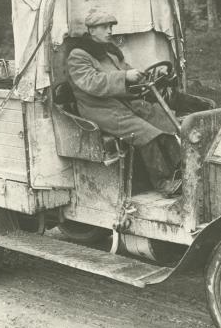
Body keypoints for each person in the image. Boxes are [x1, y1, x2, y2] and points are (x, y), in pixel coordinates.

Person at [67, 10, 182, 196]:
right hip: (99, 109)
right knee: (146, 133)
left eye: (111, 27)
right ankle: (163, 182)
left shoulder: (109, 53)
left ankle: (182, 169)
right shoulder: (79, 55)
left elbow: (127, 71)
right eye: (104, 27)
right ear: (92, 30)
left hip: (122, 103)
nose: (110, 31)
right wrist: (125, 77)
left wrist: (143, 76)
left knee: (164, 119)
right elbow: (92, 83)